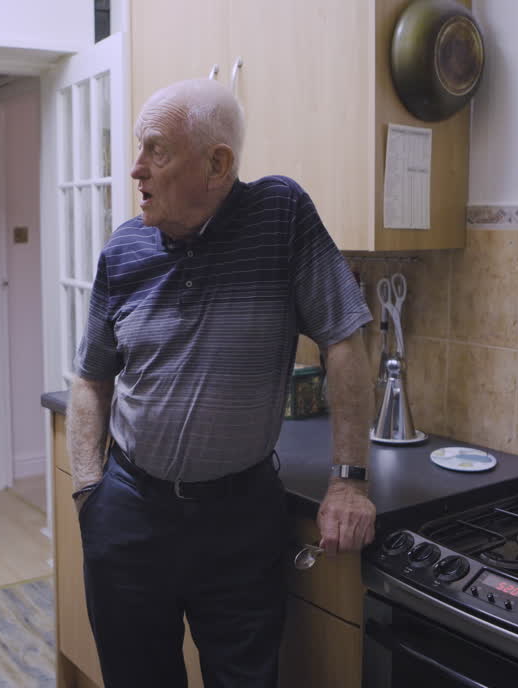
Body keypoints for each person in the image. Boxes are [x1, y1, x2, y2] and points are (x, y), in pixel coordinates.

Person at [66, 78, 377, 688]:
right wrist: (88, 493)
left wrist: (349, 482)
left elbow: (344, 340)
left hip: (239, 520)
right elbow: (90, 380)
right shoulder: (125, 248)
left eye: (156, 151)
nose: (136, 170)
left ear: (217, 164)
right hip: (129, 510)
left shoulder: (281, 215)